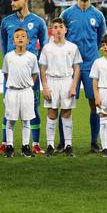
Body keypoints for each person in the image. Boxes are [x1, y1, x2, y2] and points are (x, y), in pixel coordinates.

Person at [0, 0, 48, 155]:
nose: (12, 3)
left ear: (25, 1)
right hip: (12, 74)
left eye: (15, 0)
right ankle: (5, 143)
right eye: (11, 0)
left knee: (34, 108)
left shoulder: (38, 22)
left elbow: (45, 47)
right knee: (8, 109)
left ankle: (36, 143)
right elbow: (4, 46)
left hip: (31, 73)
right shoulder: (6, 22)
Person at [60, 0, 106, 153]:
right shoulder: (67, 14)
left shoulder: (98, 15)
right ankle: (63, 143)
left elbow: (100, 37)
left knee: (94, 103)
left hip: (91, 65)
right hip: (70, 66)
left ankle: (94, 142)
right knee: (65, 103)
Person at [38, 18, 81, 157]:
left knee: (67, 113)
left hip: (67, 81)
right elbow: (42, 68)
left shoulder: (72, 47)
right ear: (52, 30)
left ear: (65, 30)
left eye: (60, 27)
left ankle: (68, 145)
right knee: (51, 112)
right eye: (55, 27)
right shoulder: (47, 47)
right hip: (52, 82)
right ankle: (50, 145)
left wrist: (74, 86)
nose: (58, 29)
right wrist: (44, 87)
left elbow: (77, 67)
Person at [2, 28, 40, 158]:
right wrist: (14, 84)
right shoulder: (8, 57)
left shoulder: (32, 57)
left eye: (23, 36)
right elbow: (6, 73)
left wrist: (26, 84)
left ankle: (25, 146)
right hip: (12, 91)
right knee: (10, 121)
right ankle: (10, 146)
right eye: (17, 36)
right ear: (13, 41)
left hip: (26, 92)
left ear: (28, 40)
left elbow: (34, 74)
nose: (20, 38)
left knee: (26, 121)